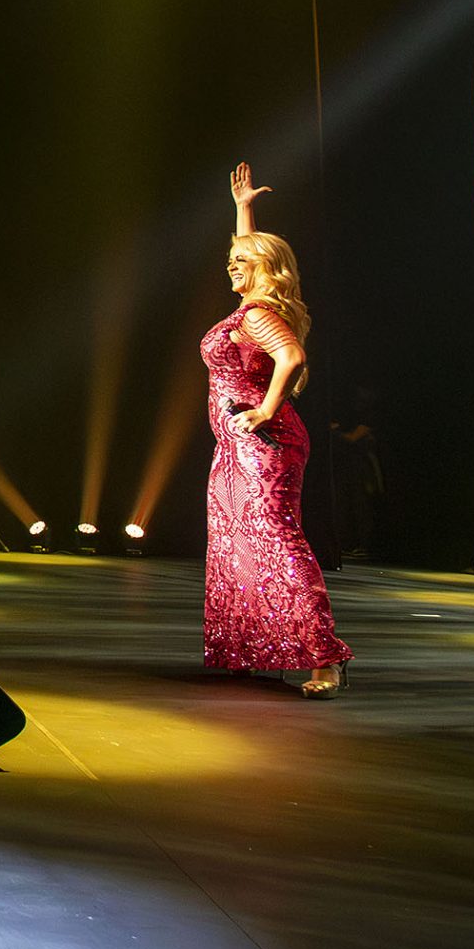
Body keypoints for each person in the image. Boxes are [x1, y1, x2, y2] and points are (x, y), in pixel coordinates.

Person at [206, 164, 347, 697]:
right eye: (230, 260)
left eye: (241, 262)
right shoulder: (250, 307)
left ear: (265, 269)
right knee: (237, 543)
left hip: (263, 446)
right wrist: (243, 210)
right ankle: (251, 648)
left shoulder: (258, 315)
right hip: (235, 447)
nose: (231, 266)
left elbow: (292, 357)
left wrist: (265, 411)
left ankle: (325, 660)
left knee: (277, 541)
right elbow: (248, 252)